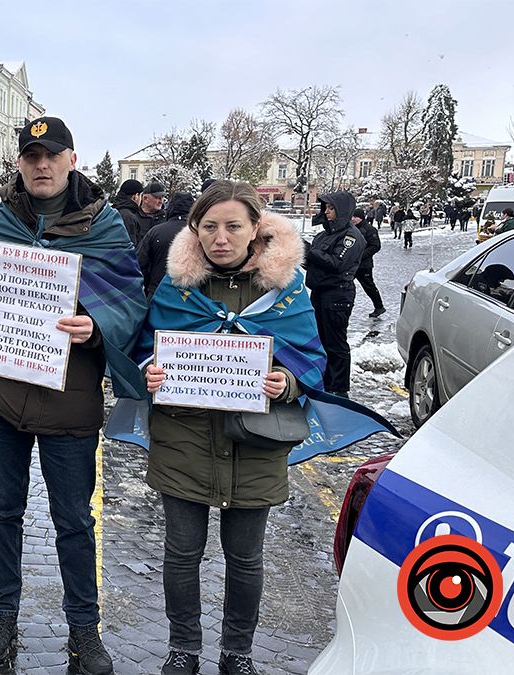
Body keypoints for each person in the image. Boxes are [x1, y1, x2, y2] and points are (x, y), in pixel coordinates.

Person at [0, 116, 150, 675]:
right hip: (0, 399)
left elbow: (129, 301)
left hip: (70, 398)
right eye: (32, 156)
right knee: (2, 511)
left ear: (72, 160)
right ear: (20, 164)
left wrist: (95, 327)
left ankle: (85, 629)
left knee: (74, 519)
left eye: (52, 155)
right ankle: (1, 616)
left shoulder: (105, 227)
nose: (42, 165)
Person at [140, 180, 321, 675]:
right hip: (183, 439)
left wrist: (287, 382)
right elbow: (144, 348)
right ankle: (184, 647)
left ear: (255, 228)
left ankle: (237, 651)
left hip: (255, 444)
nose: (221, 238)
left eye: (233, 226)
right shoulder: (177, 288)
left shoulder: (286, 291)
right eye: (209, 227)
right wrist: (150, 372)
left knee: (245, 558)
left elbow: (312, 359)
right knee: (181, 553)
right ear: (195, 229)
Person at [305, 191, 363, 397]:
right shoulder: (324, 235)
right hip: (320, 291)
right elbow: (314, 262)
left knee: (335, 343)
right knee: (320, 339)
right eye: (326, 208)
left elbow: (338, 263)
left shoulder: (351, 236)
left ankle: (338, 388)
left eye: (331, 208)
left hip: (337, 295)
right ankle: (324, 382)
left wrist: (310, 252)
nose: (327, 212)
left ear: (342, 210)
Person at [137, 192, 195, 300]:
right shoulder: (199, 233)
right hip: (191, 296)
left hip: (158, 293)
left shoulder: (155, 232)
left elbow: (140, 264)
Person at [352, 207, 385, 318]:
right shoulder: (351, 228)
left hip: (364, 265)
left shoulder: (369, 229)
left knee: (369, 286)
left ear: (361, 218)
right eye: (352, 217)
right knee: (343, 284)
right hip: (351, 264)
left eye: (356, 217)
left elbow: (375, 246)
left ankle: (379, 306)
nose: (353, 219)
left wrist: (361, 255)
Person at [112, 179, 151, 246]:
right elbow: (131, 244)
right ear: (135, 196)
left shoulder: (113, 210)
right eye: (140, 195)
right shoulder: (129, 217)